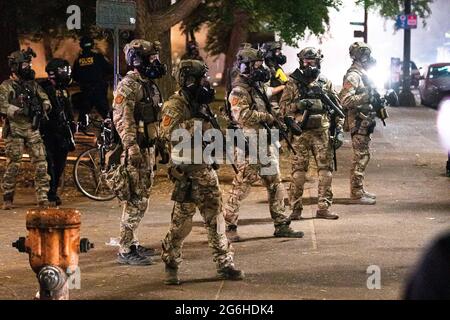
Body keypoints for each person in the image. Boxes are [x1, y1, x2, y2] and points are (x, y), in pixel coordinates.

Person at [160, 59, 244, 285]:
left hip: (205, 171)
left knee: (215, 219)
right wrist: (198, 125)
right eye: (201, 80)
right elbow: (168, 134)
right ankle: (171, 263)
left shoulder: (201, 104)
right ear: (188, 81)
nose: (205, 84)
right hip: (186, 174)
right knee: (180, 225)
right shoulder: (175, 105)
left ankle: (224, 263)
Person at [223, 46, 304, 242]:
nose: (260, 69)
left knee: (274, 183)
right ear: (244, 67)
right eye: (255, 65)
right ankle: (228, 225)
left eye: (260, 64)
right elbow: (242, 116)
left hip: (264, 141)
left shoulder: (256, 88)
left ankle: (281, 224)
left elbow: (268, 107)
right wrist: (267, 117)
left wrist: (281, 119)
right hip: (249, 143)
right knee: (242, 185)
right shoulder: (239, 90)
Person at [110, 39, 166, 265]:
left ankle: (132, 242)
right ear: (136, 60)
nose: (155, 62)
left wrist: (161, 144)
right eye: (151, 58)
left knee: (141, 197)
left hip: (147, 148)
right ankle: (125, 249)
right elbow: (123, 119)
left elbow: (154, 116)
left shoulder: (148, 83)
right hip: (136, 150)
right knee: (135, 199)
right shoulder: (128, 85)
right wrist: (131, 147)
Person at [279, 47, 344, 220]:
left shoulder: (325, 82)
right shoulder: (293, 82)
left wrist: (338, 131)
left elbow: (337, 109)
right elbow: (283, 109)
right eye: (306, 61)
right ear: (301, 62)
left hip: (321, 132)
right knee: (298, 173)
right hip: (300, 133)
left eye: (312, 61)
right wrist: (298, 106)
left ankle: (323, 207)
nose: (309, 64)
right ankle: (295, 209)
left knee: (325, 172)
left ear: (318, 62)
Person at [0, 48, 51, 209]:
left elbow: (45, 99)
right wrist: (18, 110)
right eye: (24, 64)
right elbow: (2, 105)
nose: (28, 67)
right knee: (14, 164)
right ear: (15, 66)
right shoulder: (6, 86)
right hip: (15, 130)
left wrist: (44, 106)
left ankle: (43, 196)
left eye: (28, 64)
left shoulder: (33, 85)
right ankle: (8, 197)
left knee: (41, 163)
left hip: (32, 128)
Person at [339, 42, 378, 205]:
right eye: (366, 55)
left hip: (365, 122)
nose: (369, 59)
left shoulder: (362, 74)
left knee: (363, 156)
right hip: (358, 121)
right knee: (360, 157)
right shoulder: (353, 75)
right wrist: (366, 97)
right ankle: (356, 193)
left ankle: (359, 189)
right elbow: (345, 99)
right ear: (361, 56)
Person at [40, 58, 76, 206]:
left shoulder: (63, 90)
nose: (66, 74)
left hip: (62, 133)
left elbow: (68, 110)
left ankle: (53, 191)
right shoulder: (43, 89)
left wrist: (72, 125)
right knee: (49, 163)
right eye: (63, 71)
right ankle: (50, 193)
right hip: (48, 133)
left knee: (60, 164)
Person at [72, 36, 113, 124]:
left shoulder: (78, 60)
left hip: (86, 91)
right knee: (106, 114)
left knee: (83, 114)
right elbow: (109, 69)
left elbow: (74, 76)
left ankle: (80, 130)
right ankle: (112, 133)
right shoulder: (98, 57)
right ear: (92, 45)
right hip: (99, 90)